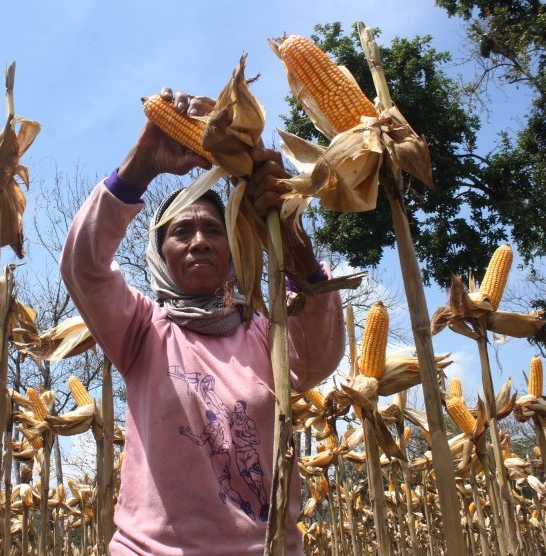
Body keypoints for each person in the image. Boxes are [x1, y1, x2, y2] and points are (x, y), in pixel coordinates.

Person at [60, 87, 345, 555]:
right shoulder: (142, 330)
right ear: (159, 254)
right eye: (180, 231)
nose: (198, 241)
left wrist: (287, 234)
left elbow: (319, 349)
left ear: (235, 248)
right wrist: (143, 162)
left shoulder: (262, 333)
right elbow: (84, 266)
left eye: (214, 229)